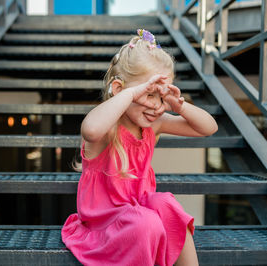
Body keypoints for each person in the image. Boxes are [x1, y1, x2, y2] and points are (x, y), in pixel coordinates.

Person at [62, 29, 218, 266]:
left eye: (162, 97)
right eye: (149, 93)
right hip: (104, 227)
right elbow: (89, 129)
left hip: (140, 214)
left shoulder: (155, 124)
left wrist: (179, 105)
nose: (157, 106)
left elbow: (209, 128)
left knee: (166, 203)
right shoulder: (107, 128)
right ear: (119, 89)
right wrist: (132, 92)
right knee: (146, 223)